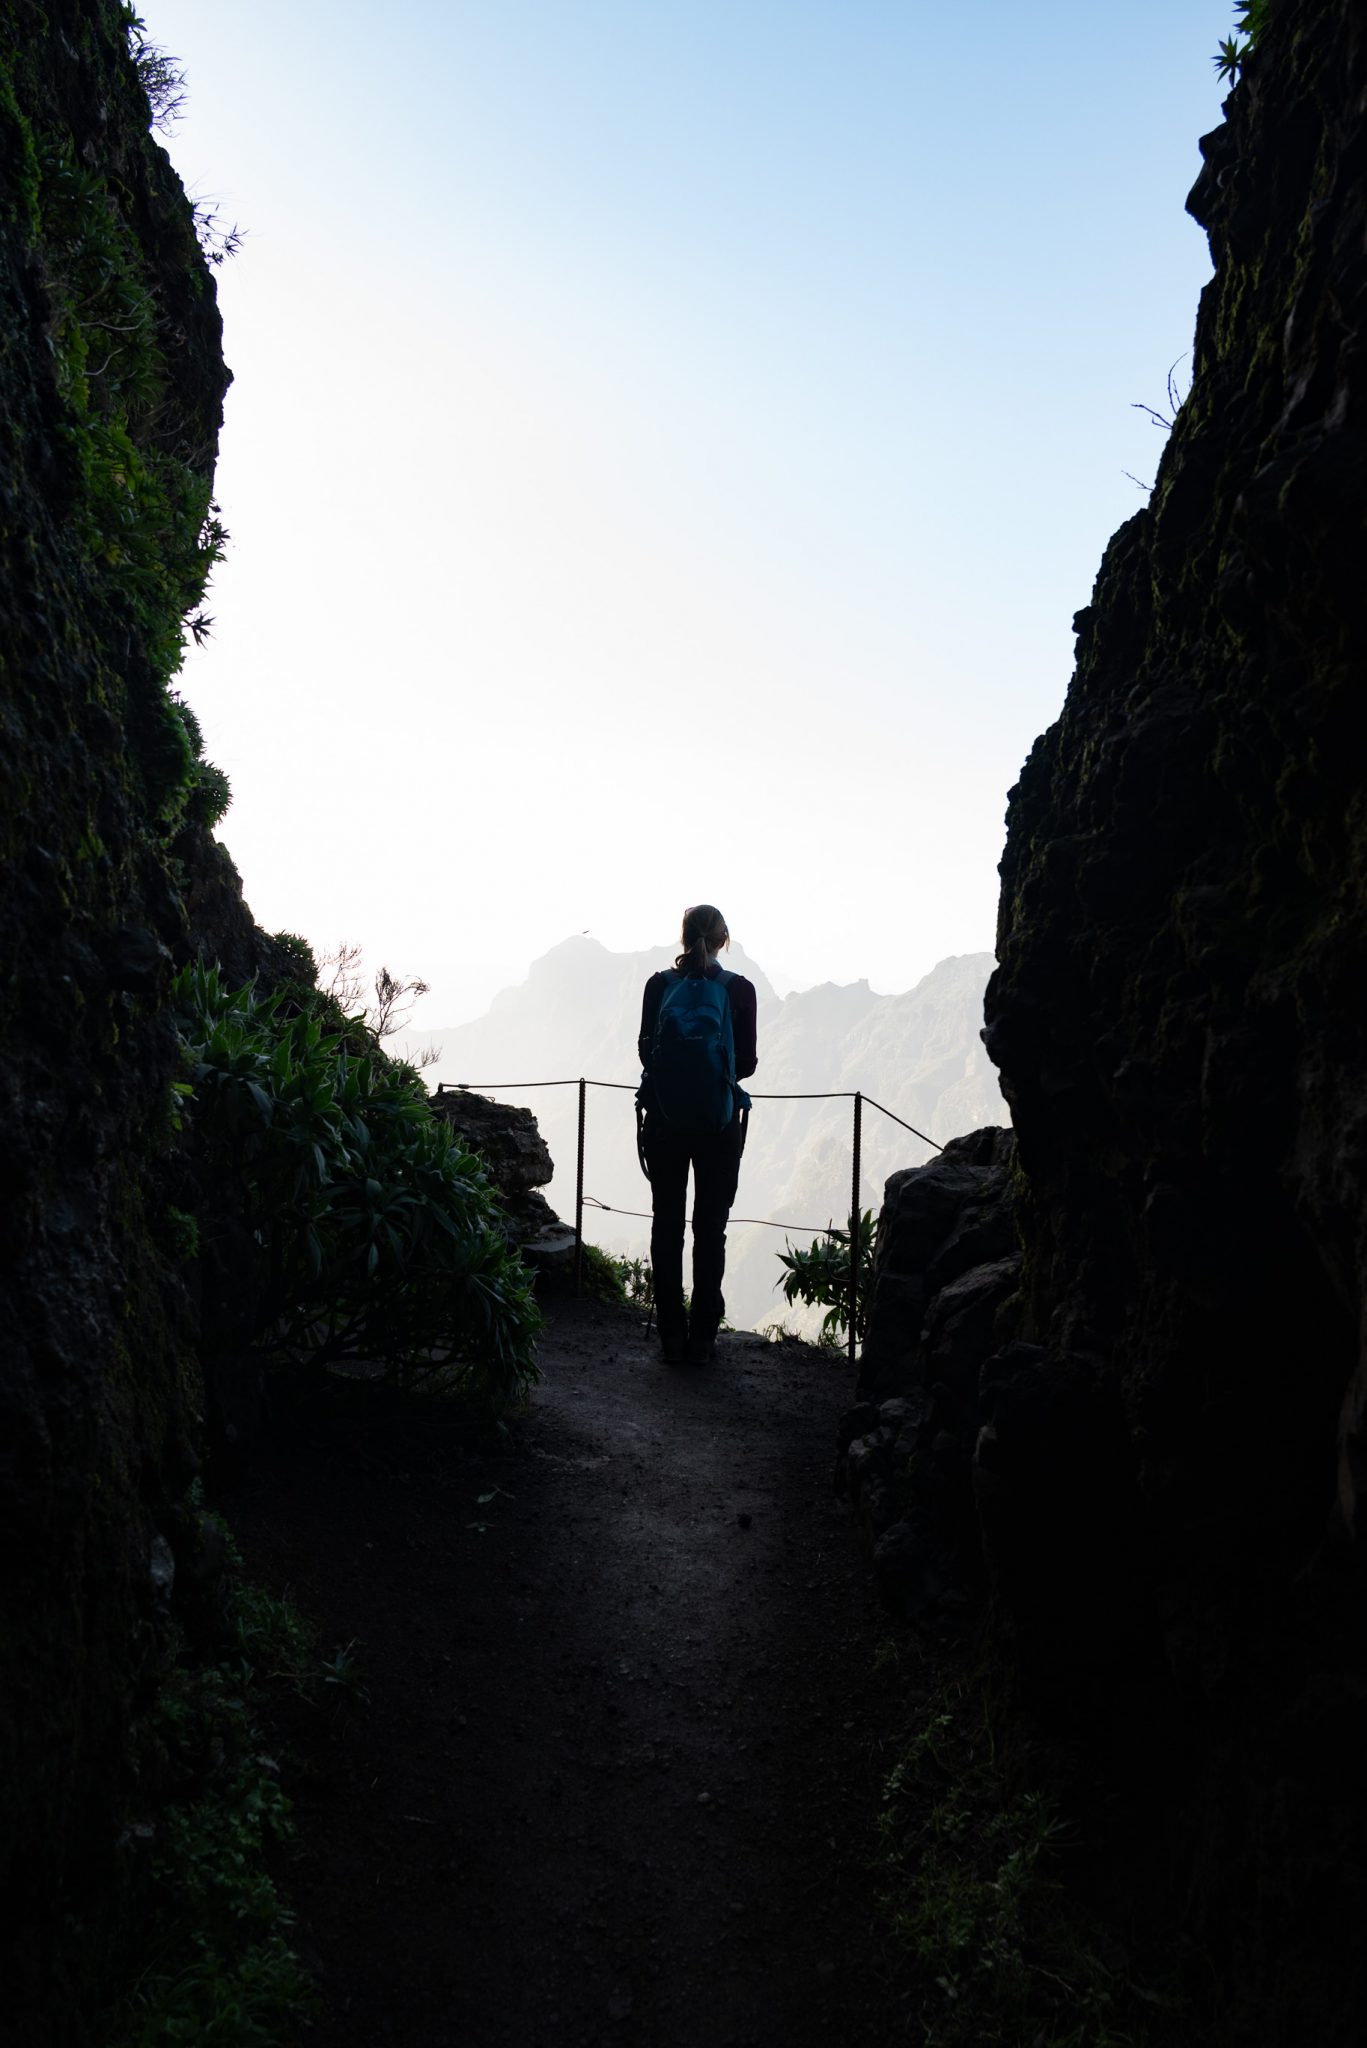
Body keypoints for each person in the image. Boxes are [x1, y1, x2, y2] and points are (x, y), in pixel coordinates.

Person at [637, 904, 757, 1364]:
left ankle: (671, 1335)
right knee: (711, 1230)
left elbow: (648, 1052)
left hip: (665, 1121)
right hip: (718, 1122)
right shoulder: (738, 990)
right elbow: (744, 1063)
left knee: (666, 1225)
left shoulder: (658, 986)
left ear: (683, 939)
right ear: (723, 939)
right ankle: (704, 1338)